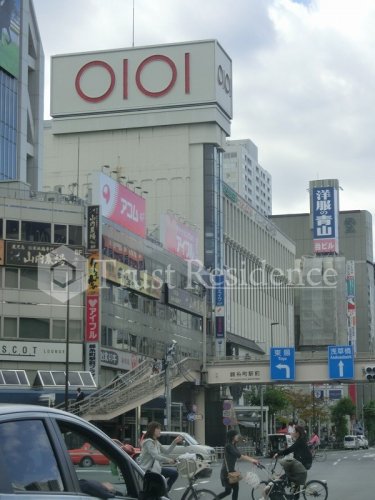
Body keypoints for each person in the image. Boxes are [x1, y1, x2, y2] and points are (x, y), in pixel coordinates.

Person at [138, 421, 183, 492]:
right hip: (149, 471)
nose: (160, 431)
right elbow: (156, 456)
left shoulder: (156, 442)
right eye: (158, 429)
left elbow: (167, 451)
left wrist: (174, 442)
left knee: (174, 473)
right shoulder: (148, 442)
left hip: (156, 469)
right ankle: (164, 492)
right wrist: (168, 460)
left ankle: (164, 491)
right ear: (153, 430)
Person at [217, 430, 259, 500]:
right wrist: (252, 460)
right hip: (226, 472)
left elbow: (242, 455)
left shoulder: (233, 445)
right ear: (232, 437)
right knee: (228, 491)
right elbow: (239, 456)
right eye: (236, 435)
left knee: (234, 489)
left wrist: (254, 460)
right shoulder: (228, 446)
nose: (237, 436)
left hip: (231, 471)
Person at [274, 425, 312, 499]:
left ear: (298, 433)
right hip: (303, 461)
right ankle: (294, 495)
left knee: (290, 474)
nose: (293, 432)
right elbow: (292, 451)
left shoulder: (300, 441)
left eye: (294, 431)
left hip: (305, 463)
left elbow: (290, 449)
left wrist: (278, 454)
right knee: (292, 476)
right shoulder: (300, 440)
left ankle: (293, 495)